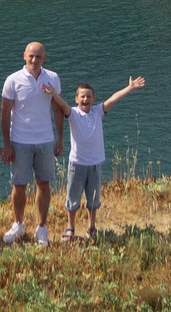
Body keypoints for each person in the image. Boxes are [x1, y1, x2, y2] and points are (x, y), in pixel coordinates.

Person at [0, 40, 68, 247]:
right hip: (20, 140)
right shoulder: (13, 80)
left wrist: (60, 138)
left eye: (38, 56)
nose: (34, 60)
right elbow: (5, 113)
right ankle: (18, 224)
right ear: (24, 56)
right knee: (19, 185)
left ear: (44, 58)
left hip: (45, 140)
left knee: (44, 184)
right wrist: (7, 144)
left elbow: (57, 108)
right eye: (31, 55)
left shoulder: (52, 78)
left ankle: (41, 227)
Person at [62, 76, 145, 241]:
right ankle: (70, 227)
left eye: (89, 96)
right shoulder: (73, 113)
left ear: (93, 99)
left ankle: (91, 227)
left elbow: (114, 98)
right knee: (72, 199)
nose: (85, 99)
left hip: (95, 164)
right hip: (77, 164)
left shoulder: (98, 111)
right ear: (76, 99)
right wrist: (52, 93)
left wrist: (129, 88)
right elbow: (61, 104)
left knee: (93, 200)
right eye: (82, 96)